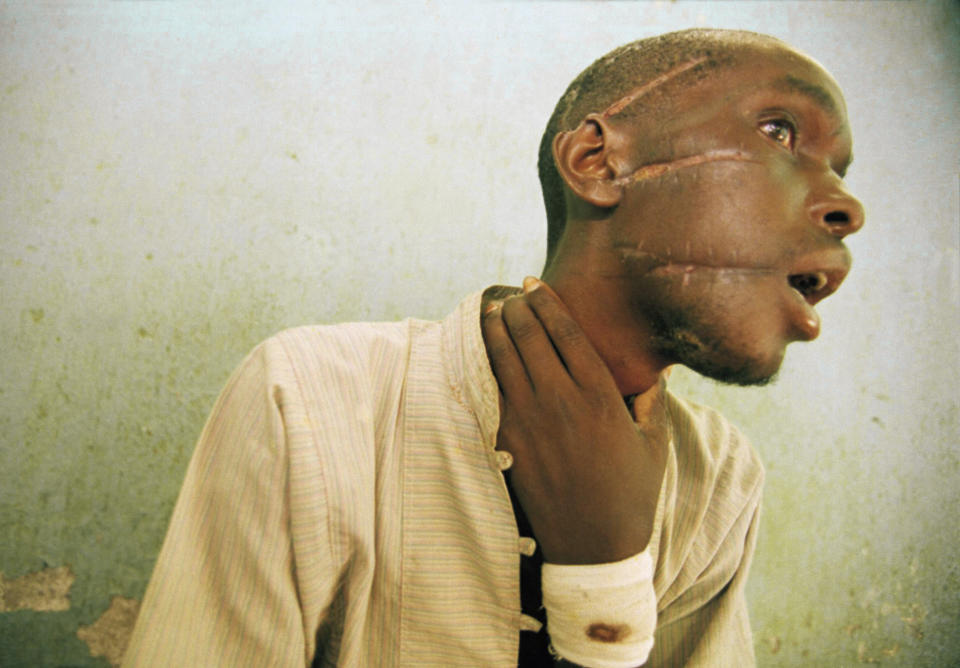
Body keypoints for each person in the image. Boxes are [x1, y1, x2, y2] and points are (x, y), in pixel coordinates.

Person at [123, 28, 864, 667]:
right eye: (779, 132)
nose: (847, 206)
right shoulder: (310, 399)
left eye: (842, 172)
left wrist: (602, 588)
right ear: (599, 163)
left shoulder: (721, 480)